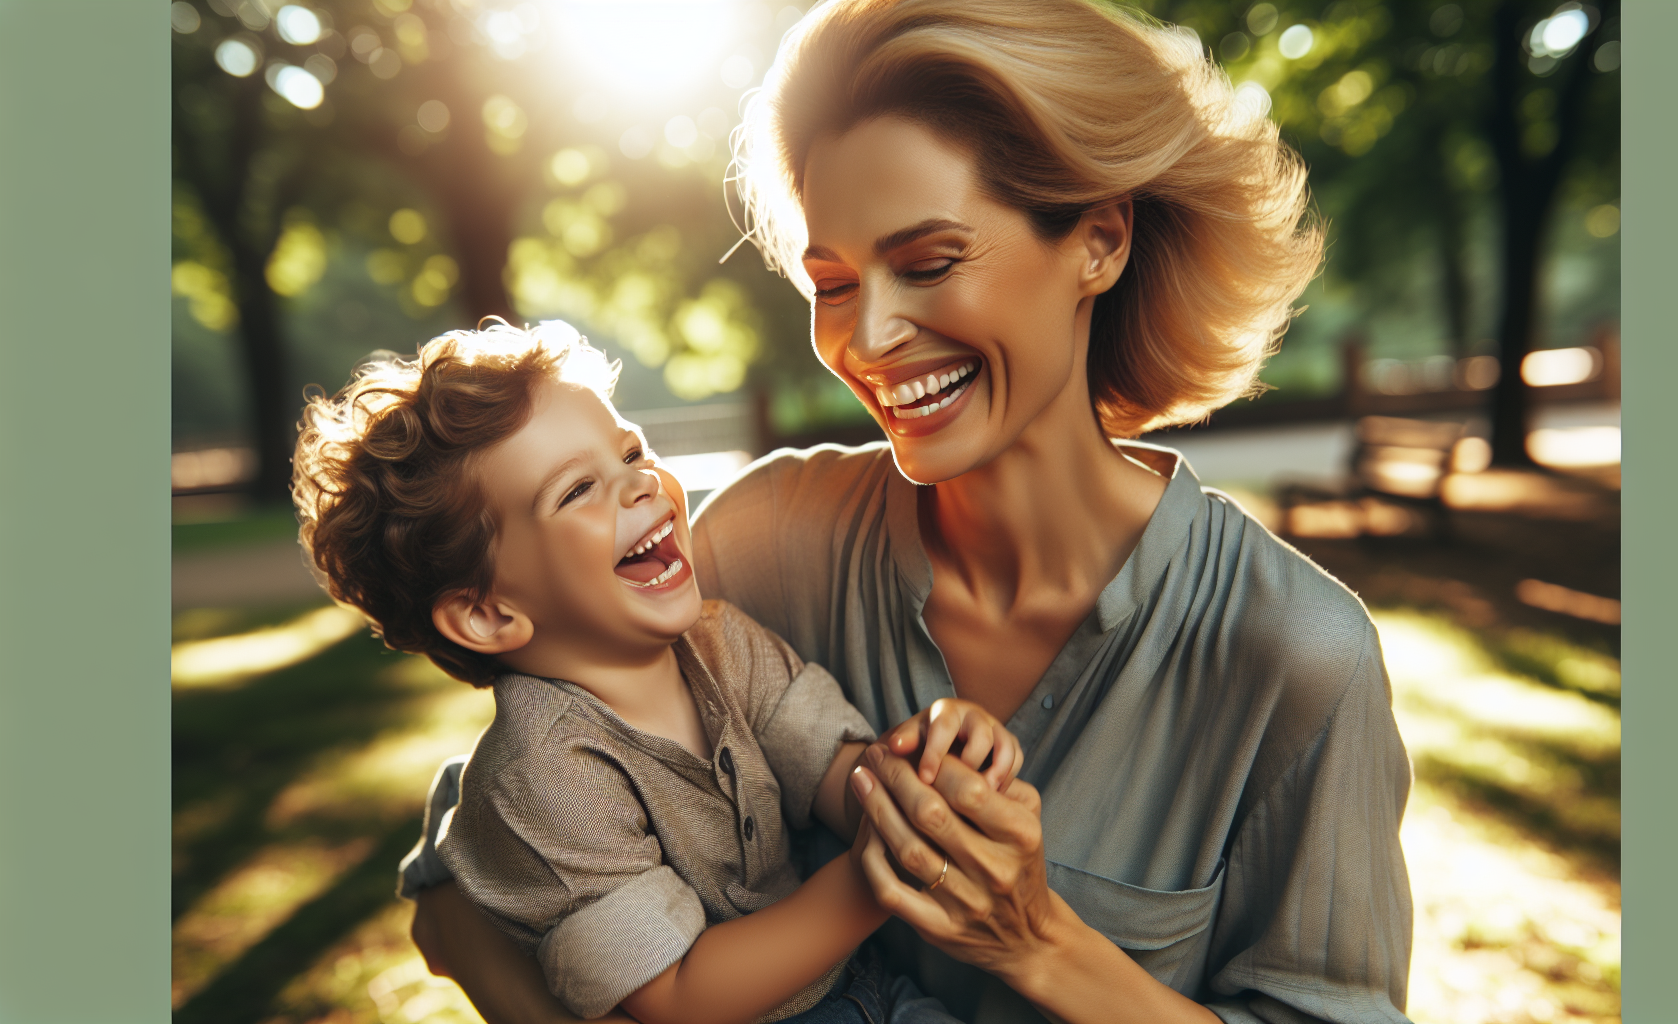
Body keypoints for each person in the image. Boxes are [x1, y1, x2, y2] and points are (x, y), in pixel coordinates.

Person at [409, 1, 1414, 1022]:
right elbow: (482, 852)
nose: (871, 336)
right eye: (834, 283)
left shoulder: (1298, 658)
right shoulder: (761, 547)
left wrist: (1041, 944)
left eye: (930, 263)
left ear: (1099, 241)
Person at [291, 321, 1022, 1024]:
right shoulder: (543, 779)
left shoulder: (721, 643)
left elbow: (837, 771)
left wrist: (925, 776)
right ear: (488, 615)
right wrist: (868, 882)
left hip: (866, 993)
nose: (642, 486)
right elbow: (678, 997)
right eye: (578, 490)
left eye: (632, 453)